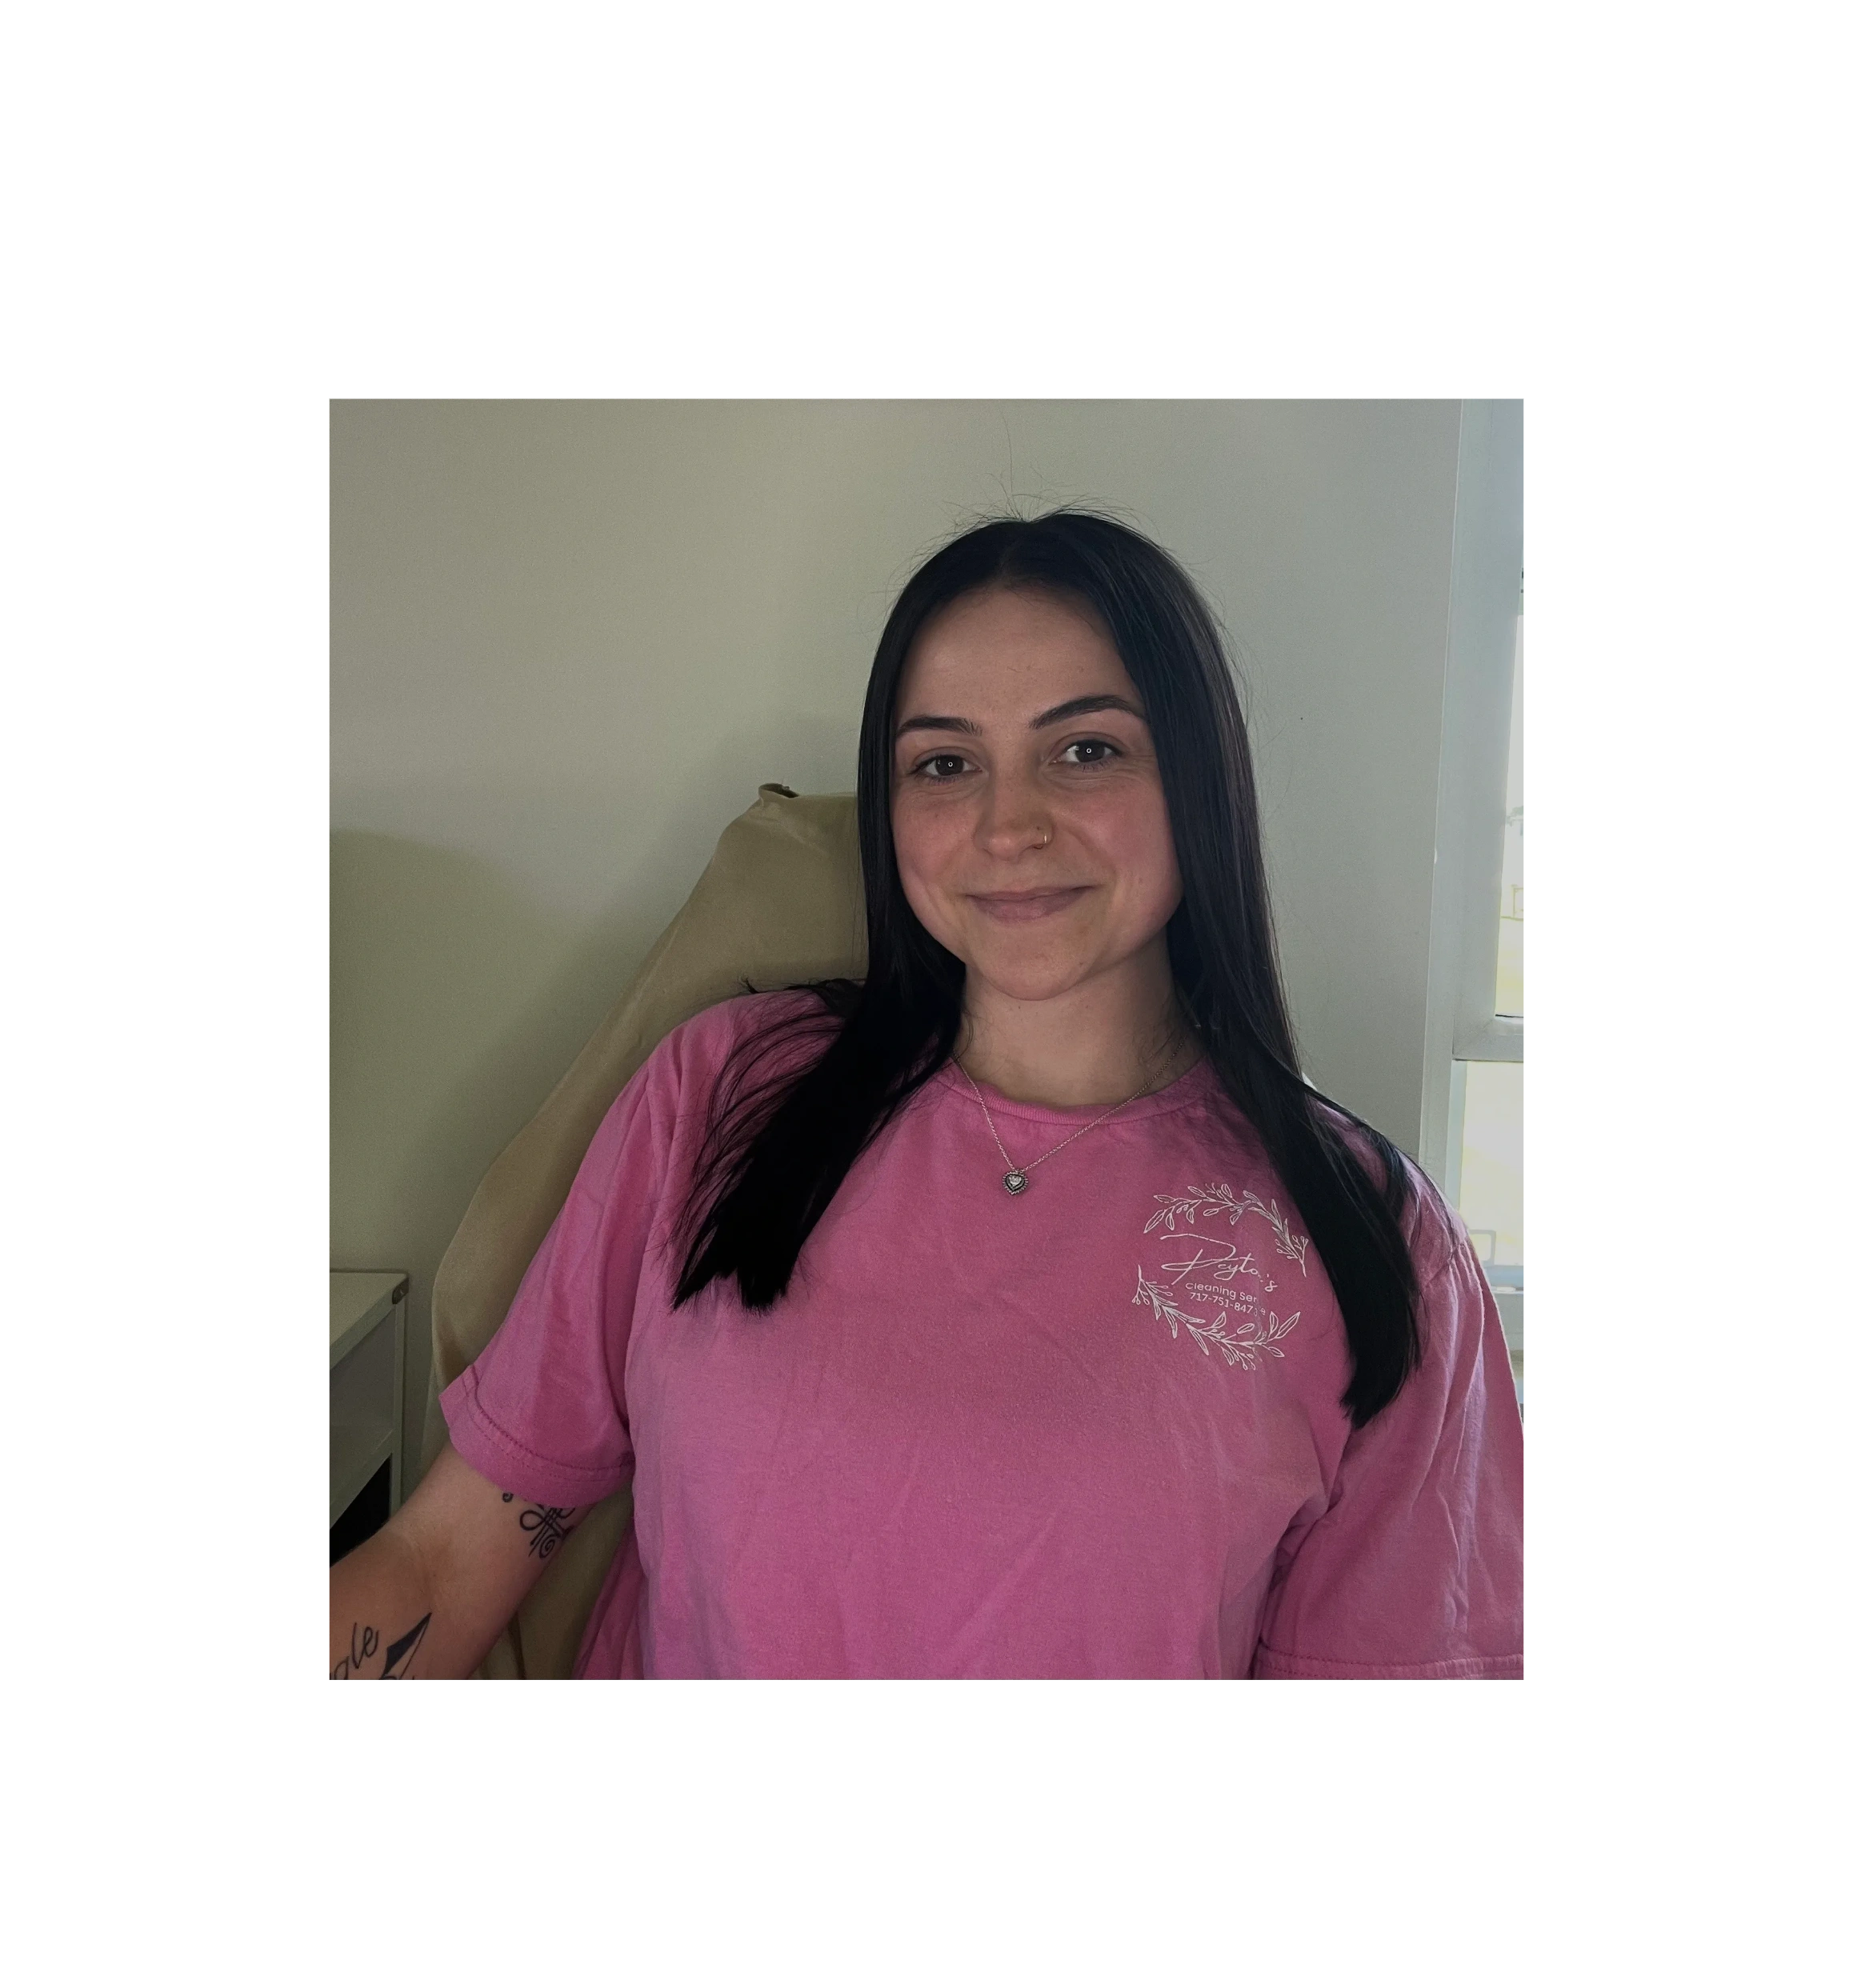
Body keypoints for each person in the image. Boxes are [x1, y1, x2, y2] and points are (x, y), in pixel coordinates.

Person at [327, 510, 1527, 1682]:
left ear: (1199, 779)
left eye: (1086, 748)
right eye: (945, 763)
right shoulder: (717, 1097)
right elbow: (440, 1562)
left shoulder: (1375, 1242)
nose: (1008, 825)